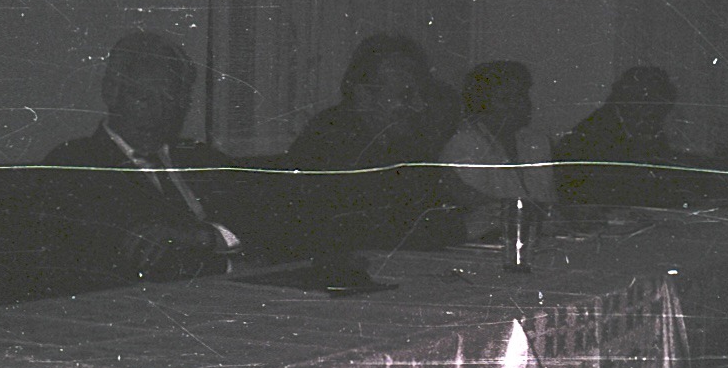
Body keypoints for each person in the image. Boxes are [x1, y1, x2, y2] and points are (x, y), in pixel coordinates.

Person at [35, 30, 256, 287]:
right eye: (143, 98)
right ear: (111, 93)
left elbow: (261, 224)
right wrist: (231, 264)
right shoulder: (76, 164)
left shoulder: (201, 157)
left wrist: (203, 237)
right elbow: (135, 259)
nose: (159, 113)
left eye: (170, 99)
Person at [284, 33, 462, 260]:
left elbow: (430, 204)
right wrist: (459, 229)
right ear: (364, 95)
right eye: (405, 95)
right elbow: (360, 231)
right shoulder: (333, 138)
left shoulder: (403, 139)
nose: (420, 106)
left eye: (421, 94)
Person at [554, 66, 706, 207]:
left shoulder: (639, 125)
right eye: (649, 104)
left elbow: (663, 169)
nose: (657, 115)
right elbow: (624, 190)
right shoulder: (595, 133)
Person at [441, 60, 555, 239]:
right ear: (481, 104)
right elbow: (484, 211)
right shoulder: (465, 144)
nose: (519, 105)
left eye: (522, 95)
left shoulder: (537, 142)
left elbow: (547, 202)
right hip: (484, 241)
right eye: (505, 99)